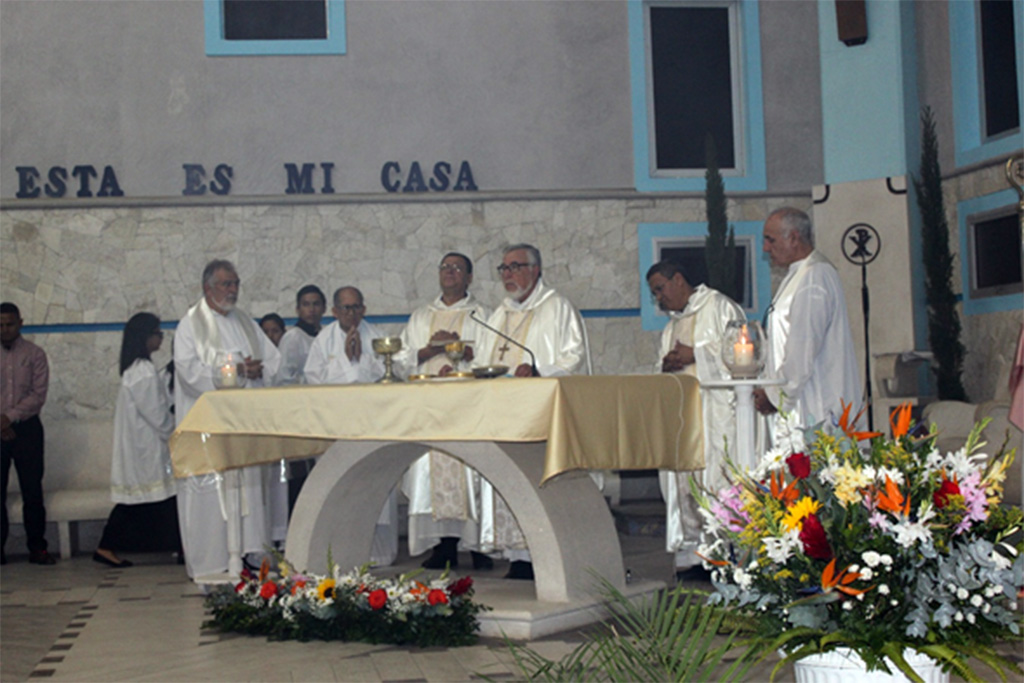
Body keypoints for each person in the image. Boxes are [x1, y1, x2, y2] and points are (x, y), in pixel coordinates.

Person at [475, 243, 592, 579]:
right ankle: (517, 555)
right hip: (504, 412)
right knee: (508, 475)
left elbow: (576, 357)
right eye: (504, 269)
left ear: (536, 270)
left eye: (515, 267)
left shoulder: (557, 308)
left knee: (539, 477)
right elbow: (485, 358)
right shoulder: (499, 315)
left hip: (542, 412)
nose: (508, 275)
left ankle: (545, 553)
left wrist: (540, 371)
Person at [173, 259, 282, 578]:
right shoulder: (189, 325)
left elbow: (272, 360)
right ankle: (211, 563)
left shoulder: (245, 321)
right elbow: (188, 373)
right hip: (207, 428)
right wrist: (236, 371)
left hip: (242, 426)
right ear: (207, 288)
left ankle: (250, 555)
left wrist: (258, 370)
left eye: (235, 283)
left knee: (248, 489)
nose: (233, 290)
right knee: (210, 492)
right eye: (226, 284)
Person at [646, 260, 745, 582]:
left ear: (679, 278)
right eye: (654, 293)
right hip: (684, 419)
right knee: (684, 486)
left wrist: (696, 355)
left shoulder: (719, 307)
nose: (659, 298)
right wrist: (668, 364)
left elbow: (742, 355)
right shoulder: (672, 325)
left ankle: (724, 555)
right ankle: (693, 555)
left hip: (715, 416)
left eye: (660, 289)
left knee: (716, 482)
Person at [396, 253, 493, 570]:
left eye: (456, 268)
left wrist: (462, 351)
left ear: (469, 277)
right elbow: (400, 360)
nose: (449, 273)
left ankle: (480, 547)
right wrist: (433, 348)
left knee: (473, 472)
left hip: (468, 407)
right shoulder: (422, 316)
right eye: (444, 267)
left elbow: (493, 355)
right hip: (430, 408)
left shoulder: (482, 315)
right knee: (430, 472)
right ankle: (444, 545)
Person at [304, 286, 397, 566]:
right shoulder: (323, 339)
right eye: (345, 308)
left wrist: (360, 361)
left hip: (373, 424)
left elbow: (391, 374)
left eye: (357, 307)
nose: (352, 314)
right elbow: (313, 379)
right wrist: (346, 360)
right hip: (338, 427)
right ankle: (338, 551)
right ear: (334, 312)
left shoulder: (378, 335)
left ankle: (380, 552)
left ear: (364, 309)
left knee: (375, 482)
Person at [753, 207, 863, 435]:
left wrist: (774, 397)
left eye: (770, 240)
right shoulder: (800, 274)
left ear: (793, 238)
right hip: (801, 395)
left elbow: (802, 348)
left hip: (815, 401)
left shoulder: (814, 277)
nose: (765, 248)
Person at [93, 313, 180, 568]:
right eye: (157, 333)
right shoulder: (142, 372)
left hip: (146, 445)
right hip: (146, 447)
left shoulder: (140, 369)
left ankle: (179, 545)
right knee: (136, 502)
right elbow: (156, 414)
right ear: (145, 337)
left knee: (159, 499)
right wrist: (174, 433)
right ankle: (105, 546)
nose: (161, 338)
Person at [0, 302, 54, 566]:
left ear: (20, 323)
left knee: (32, 490)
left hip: (28, 429)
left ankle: (37, 547)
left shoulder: (35, 354)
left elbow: (37, 395)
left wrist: (8, 418)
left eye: (10, 324)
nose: (5, 329)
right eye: (0, 325)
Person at [276, 285, 327, 513]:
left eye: (316, 304)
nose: (312, 309)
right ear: (298, 309)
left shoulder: (326, 336)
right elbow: (283, 378)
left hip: (321, 413)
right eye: (306, 304)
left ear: (324, 308)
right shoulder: (293, 338)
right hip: (300, 414)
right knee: (302, 474)